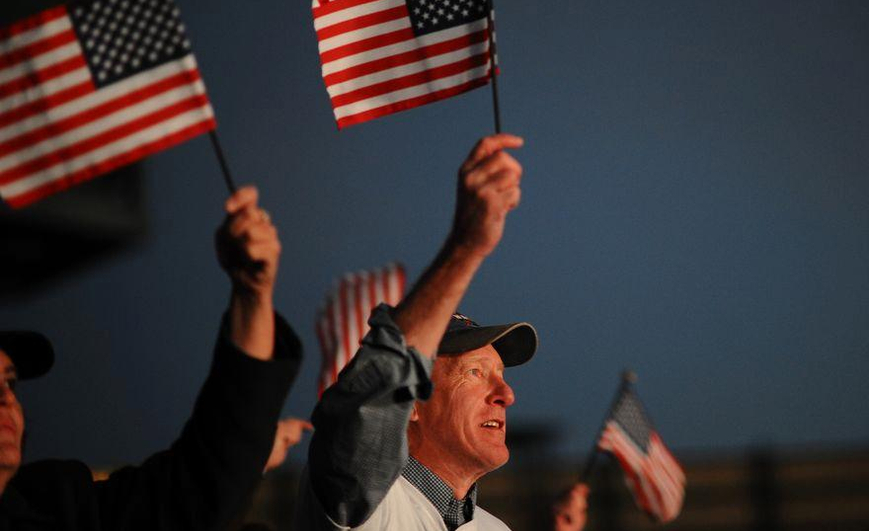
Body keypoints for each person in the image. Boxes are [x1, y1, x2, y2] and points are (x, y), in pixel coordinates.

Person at [296, 134, 587, 531]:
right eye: (474, 373)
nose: (506, 395)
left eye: (501, 376)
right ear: (410, 403)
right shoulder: (363, 501)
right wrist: (467, 245)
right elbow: (372, 392)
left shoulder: (494, 529)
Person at [0, 185, 301, 531]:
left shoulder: (56, 504)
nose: (6, 398)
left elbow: (193, 489)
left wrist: (252, 295)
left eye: (10, 381)